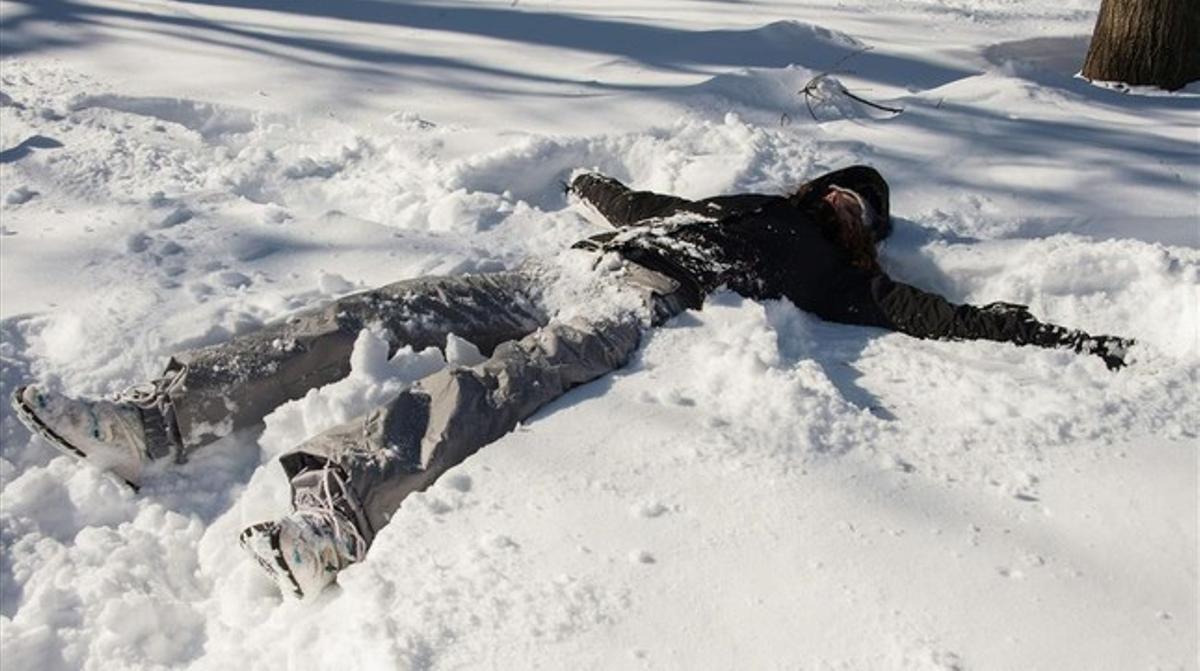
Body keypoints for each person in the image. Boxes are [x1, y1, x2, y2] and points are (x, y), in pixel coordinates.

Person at [11, 165, 1133, 598]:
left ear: (862, 236)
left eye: (858, 212)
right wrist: (598, 188)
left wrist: (1062, 338)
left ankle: (343, 497)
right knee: (384, 307)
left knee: (521, 376)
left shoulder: (840, 280)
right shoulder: (748, 206)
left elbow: (937, 313)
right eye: (841, 192)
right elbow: (644, 207)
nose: (843, 207)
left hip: (636, 299)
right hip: (580, 261)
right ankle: (162, 419)